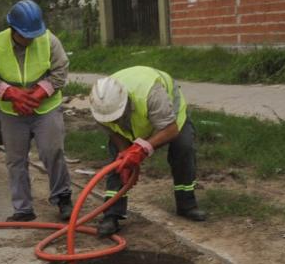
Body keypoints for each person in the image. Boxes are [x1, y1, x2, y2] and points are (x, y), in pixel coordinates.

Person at [0, 0, 72, 222]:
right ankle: (23, 209)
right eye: (25, 35)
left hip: (46, 108)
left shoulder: (49, 40)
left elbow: (60, 72)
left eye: (33, 35)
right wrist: (12, 94)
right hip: (12, 113)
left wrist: (37, 95)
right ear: (13, 29)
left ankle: (63, 198)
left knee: (52, 152)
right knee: (15, 160)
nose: (30, 39)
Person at [88, 66, 207, 237]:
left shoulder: (151, 95)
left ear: (125, 102)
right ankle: (111, 215)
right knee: (117, 163)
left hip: (170, 118)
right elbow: (113, 131)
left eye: (117, 116)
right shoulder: (99, 105)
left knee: (183, 149)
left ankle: (187, 205)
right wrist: (125, 154)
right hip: (135, 123)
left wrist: (141, 149)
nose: (115, 120)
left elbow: (170, 129)